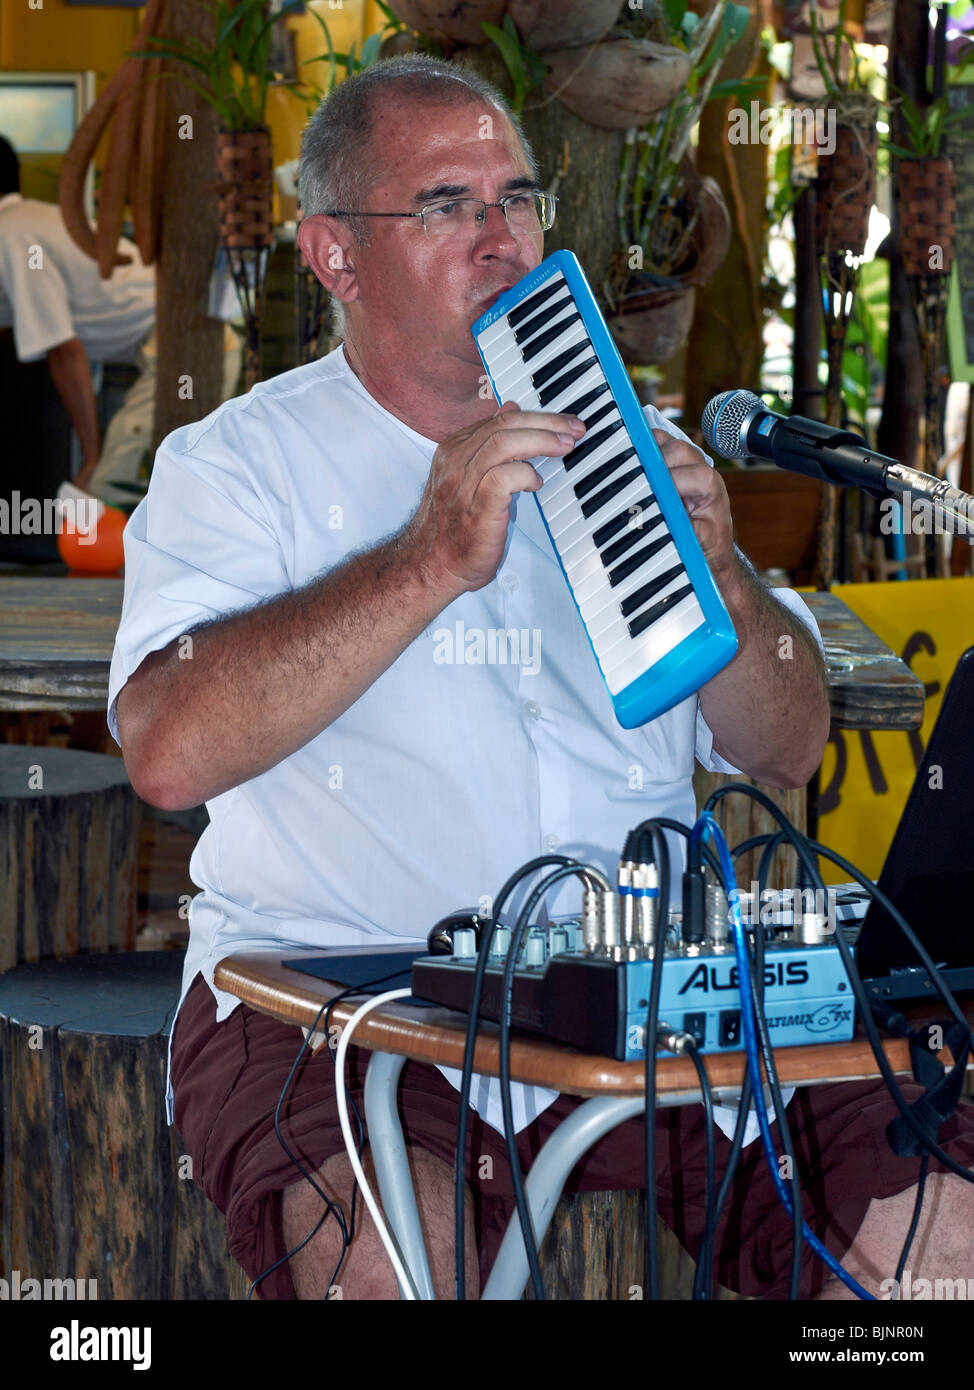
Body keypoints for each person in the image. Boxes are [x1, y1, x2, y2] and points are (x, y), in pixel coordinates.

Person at [109, 57, 974, 1300]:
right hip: (338, 991)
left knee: (938, 1250)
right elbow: (167, 751)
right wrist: (421, 563)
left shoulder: (632, 443)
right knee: (387, 1273)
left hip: (652, 998)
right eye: (446, 205)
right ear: (333, 255)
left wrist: (726, 579)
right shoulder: (237, 467)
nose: (498, 235)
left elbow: (787, 750)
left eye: (516, 199)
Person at [0, 134, 155, 505]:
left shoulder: (14, 235)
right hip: (147, 343)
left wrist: (90, 457)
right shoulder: (27, 221)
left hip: (177, 340)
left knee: (103, 485)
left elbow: (64, 350)